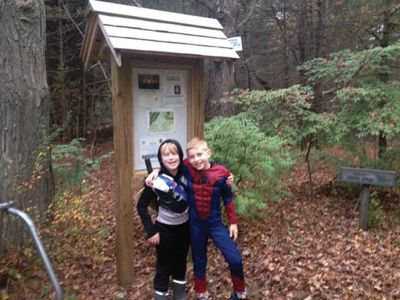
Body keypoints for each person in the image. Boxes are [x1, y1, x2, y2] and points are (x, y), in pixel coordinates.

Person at [183, 137, 248, 300]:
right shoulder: (185, 167)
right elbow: (168, 165)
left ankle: (240, 291)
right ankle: (201, 293)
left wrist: (233, 222)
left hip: (215, 224)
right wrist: (156, 171)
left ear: (208, 153)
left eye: (199, 154)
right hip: (195, 225)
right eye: (192, 156)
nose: (196, 159)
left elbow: (227, 197)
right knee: (199, 261)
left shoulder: (222, 173)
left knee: (235, 259)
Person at [137, 139, 190, 300]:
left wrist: (227, 176)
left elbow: (207, 164)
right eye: (166, 155)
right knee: (164, 265)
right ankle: (161, 295)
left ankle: (179, 294)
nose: (171, 158)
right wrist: (151, 230)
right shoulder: (155, 180)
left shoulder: (188, 173)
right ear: (161, 158)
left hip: (185, 227)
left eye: (174, 153)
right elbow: (141, 206)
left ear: (180, 155)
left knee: (181, 261)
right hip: (164, 229)